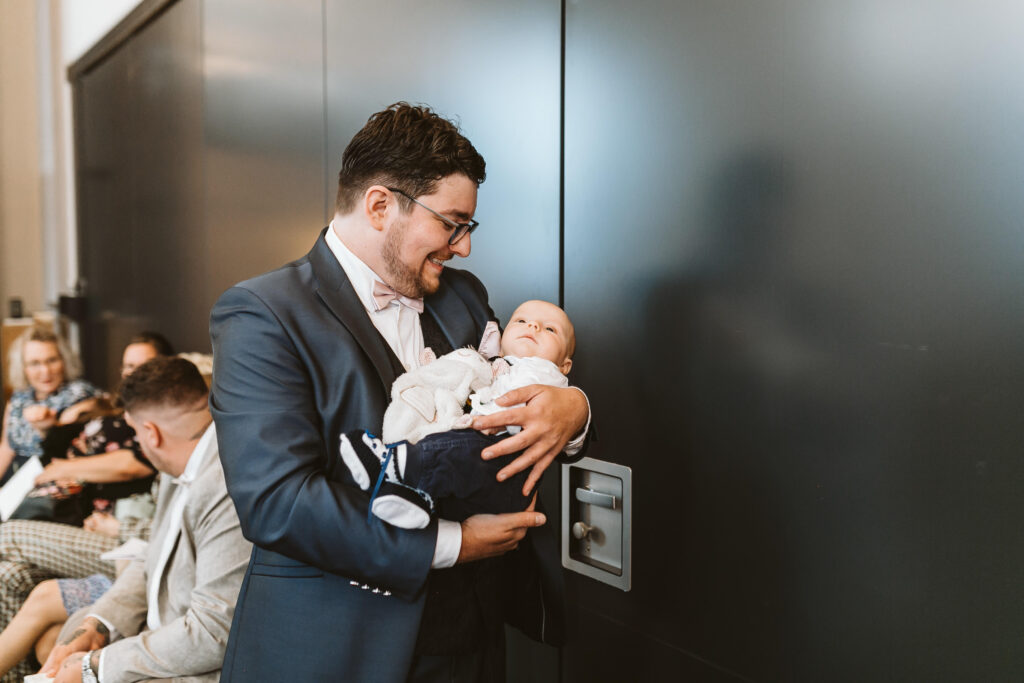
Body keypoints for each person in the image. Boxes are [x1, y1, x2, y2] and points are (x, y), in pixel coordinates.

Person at [210, 102, 590, 682]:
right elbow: (276, 502)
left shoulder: (462, 296)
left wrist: (574, 408)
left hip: (474, 639)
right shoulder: (262, 313)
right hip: (340, 647)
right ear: (381, 205)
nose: (463, 247)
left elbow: (519, 392)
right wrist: (451, 544)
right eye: (452, 223)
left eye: (468, 228)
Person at [39, 356, 251, 683]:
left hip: (204, 669)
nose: (137, 441)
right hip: (165, 632)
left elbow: (212, 633)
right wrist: (99, 622)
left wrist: (96, 666)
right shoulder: (180, 460)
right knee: (75, 628)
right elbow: (153, 557)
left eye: (135, 432)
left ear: (151, 433)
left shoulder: (227, 485)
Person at [342, 299, 582, 528]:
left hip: (505, 469)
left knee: (461, 447)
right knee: (456, 451)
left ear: (565, 366)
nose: (533, 326)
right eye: (520, 321)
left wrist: (579, 405)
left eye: (550, 329)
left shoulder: (545, 373)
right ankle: (414, 498)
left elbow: (524, 409)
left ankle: (394, 462)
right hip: (466, 490)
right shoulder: (496, 364)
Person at [0, 326, 103, 484]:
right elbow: (7, 448)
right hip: (14, 481)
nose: (45, 371)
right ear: (23, 368)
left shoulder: (80, 395)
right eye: (35, 363)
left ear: (64, 361)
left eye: (52, 360)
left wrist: (50, 426)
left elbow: (70, 452)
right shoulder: (19, 397)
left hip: (53, 481)